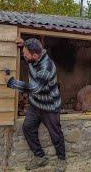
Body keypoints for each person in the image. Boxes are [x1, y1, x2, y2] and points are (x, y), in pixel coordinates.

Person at [5, 38, 66, 171]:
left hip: (49, 106)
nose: (24, 55)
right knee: (27, 128)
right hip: (35, 104)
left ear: (35, 56)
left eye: (26, 54)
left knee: (55, 134)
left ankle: (62, 160)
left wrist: (11, 82)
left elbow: (34, 88)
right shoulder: (34, 54)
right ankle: (40, 157)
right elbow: (31, 48)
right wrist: (24, 45)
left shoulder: (46, 68)